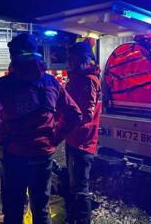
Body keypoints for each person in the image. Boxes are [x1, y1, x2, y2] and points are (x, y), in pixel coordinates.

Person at [0, 34, 82, 224]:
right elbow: (74, 114)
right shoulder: (52, 83)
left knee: (13, 210)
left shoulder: (3, 85)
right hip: (43, 155)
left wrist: (1, 138)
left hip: (14, 155)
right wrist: (55, 137)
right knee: (41, 208)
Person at [64, 40, 102, 224]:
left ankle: (81, 220)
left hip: (82, 141)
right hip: (75, 139)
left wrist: (65, 123)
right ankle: (74, 217)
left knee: (80, 187)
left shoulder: (87, 81)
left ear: (84, 61)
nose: (69, 63)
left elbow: (85, 113)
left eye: (73, 59)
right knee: (75, 184)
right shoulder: (81, 79)